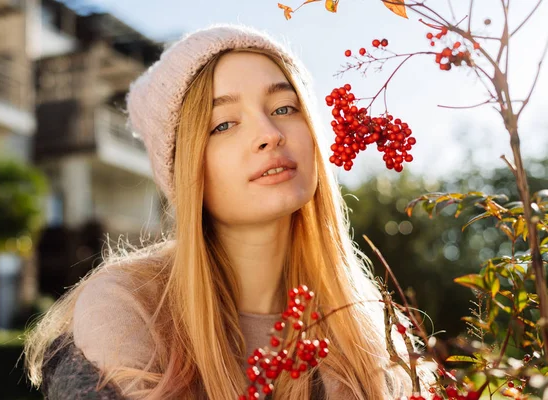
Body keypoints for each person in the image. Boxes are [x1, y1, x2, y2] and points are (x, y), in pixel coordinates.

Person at [24, 23, 426, 399]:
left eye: (285, 107)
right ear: (185, 171)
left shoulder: (369, 331)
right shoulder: (130, 308)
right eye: (223, 125)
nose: (270, 134)